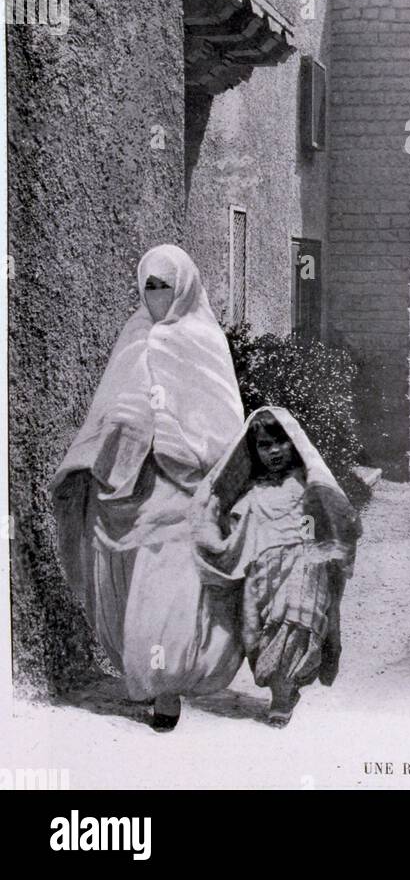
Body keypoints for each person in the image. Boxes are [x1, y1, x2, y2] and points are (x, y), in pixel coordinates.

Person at [52, 244, 245, 730]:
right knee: (132, 583)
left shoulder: (203, 339)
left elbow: (222, 418)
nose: (158, 296)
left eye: (166, 286)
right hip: (131, 481)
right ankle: (148, 674)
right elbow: (110, 404)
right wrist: (122, 429)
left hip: (185, 486)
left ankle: (167, 693)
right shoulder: (134, 334)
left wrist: (185, 443)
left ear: (184, 287)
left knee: (169, 587)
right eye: (150, 287)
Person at [192, 406, 362, 727]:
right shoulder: (253, 491)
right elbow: (237, 524)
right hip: (262, 570)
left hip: (303, 567)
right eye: (264, 445)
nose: (272, 451)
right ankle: (283, 686)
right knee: (254, 637)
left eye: (280, 443)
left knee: (293, 624)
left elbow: (325, 521)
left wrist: (316, 555)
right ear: (254, 450)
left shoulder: (308, 483)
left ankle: (281, 697)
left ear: (293, 444)